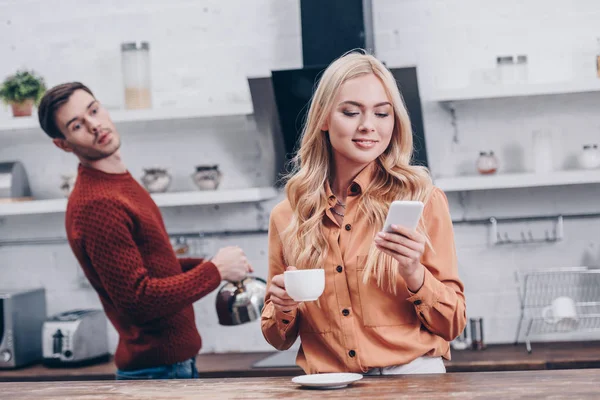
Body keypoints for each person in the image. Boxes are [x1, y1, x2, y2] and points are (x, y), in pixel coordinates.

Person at [261, 51, 466, 375]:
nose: (368, 126)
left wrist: (414, 272)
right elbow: (278, 338)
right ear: (324, 119)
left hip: (413, 384)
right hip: (329, 387)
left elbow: (453, 323)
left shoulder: (422, 200)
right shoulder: (288, 215)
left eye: (382, 114)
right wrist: (283, 308)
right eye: (351, 112)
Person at [38, 82, 253, 380]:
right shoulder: (97, 203)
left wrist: (206, 266)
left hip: (171, 367)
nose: (95, 125)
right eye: (77, 125)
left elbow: (150, 270)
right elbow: (137, 299)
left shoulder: (118, 183)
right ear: (63, 143)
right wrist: (214, 272)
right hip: (157, 373)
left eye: (94, 110)